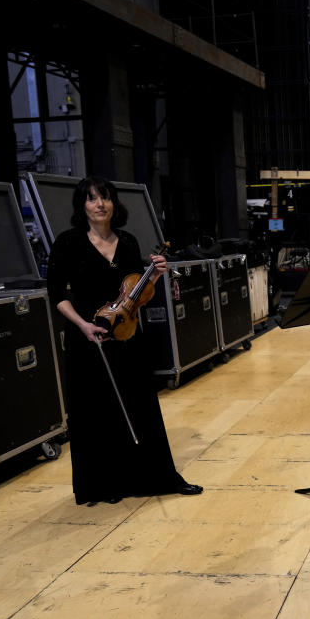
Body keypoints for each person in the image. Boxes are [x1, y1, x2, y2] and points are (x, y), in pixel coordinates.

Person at [46, 176, 202, 506]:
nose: (99, 204)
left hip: (127, 336)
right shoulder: (68, 242)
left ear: (114, 203)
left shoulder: (128, 242)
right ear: (82, 206)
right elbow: (57, 294)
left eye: (104, 197)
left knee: (141, 405)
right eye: (91, 199)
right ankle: (104, 484)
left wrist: (156, 274)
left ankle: (160, 478)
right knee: (95, 412)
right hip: (88, 338)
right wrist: (83, 326)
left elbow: (137, 294)